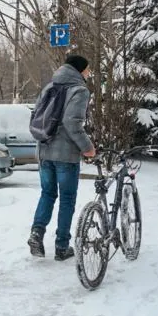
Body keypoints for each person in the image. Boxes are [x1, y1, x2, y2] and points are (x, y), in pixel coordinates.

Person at [27, 53, 95, 261]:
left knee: (47, 193)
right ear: (80, 70)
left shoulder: (50, 86)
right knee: (67, 199)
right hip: (65, 155)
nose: (89, 72)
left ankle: (36, 233)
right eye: (87, 69)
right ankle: (62, 246)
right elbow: (72, 123)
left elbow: (35, 115)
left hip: (44, 150)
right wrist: (88, 148)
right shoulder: (80, 90)